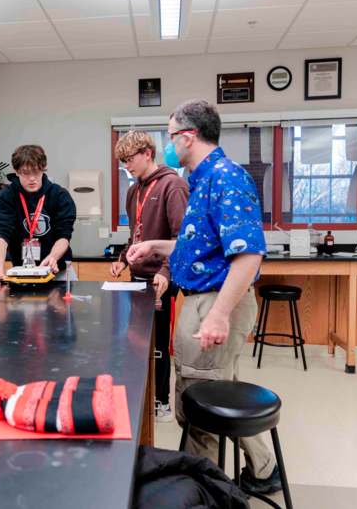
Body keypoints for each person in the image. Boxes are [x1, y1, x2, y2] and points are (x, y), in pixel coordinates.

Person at [126, 100, 282, 495]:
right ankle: (263, 471)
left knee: (198, 408)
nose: (168, 144)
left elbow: (248, 255)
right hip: (202, 297)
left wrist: (217, 315)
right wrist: (155, 247)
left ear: (188, 136)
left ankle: (205, 494)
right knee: (215, 389)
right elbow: (197, 244)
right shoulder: (201, 179)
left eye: (170, 135)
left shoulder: (226, 178)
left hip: (213, 300)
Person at [111, 130, 188, 422]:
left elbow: (182, 239)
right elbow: (136, 236)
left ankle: (162, 403)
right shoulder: (134, 191)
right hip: (137, 277)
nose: (127, 166)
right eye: (122, 162)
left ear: (147, 153)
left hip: (162, 279)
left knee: (158, 344)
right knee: (136, 340)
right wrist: (122, 260)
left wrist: (166, 272)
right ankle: (141, 396)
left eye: (130, 159)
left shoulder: (174, 185)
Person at [0, 145, 76, 281]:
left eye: (36, 172)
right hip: (21, 273)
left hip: (57, 272)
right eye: (25, 173)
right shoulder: (6, 196)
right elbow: (1, 236)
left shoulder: (60, 195)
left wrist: (53, 257)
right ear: (16, 171)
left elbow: (64, 236)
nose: (32, 178)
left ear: (44, 168)